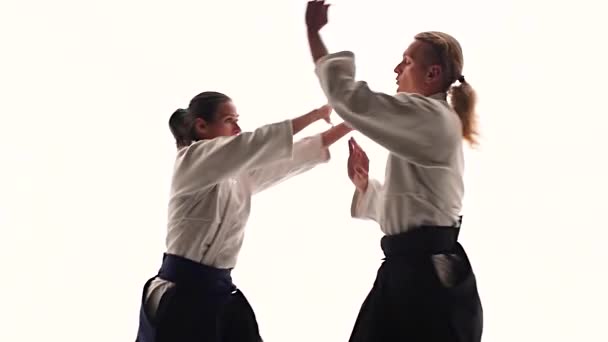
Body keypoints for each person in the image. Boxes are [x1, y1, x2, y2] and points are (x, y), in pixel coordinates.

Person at [305, 1, 483, 341]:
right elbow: (415, 212)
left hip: (424, 281)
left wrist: (314, 34)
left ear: (433, 74)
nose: (396, 68)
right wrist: (365, 187)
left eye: (408, 61)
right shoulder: (432, 120)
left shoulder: (430, 117)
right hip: (413, 272)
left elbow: (350, 99)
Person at [135, 90, 353, 342]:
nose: (237, 127)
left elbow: (295, 154)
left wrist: (352, 123)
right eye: (229, 120)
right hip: (180, 297)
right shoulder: (191, 161)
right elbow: (256, 143)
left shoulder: (239, 176)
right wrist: (317, 114)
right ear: (202, 126)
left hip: (219, 292)